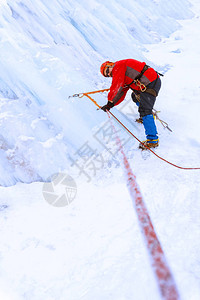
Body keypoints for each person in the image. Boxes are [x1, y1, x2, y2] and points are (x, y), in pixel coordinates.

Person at [100, 59, 162, 150]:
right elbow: (121, 91)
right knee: (134, 96)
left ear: (110, 65)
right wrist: (111, 104)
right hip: (148, 82)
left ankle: (153, 140)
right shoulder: (120, 70)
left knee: (145, 110)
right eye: (107, 75)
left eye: (107, 71)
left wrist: (109, 102)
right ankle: (146, 118)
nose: (109, 75)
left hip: (150, 82)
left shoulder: (118, 66)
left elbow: (117, 86)